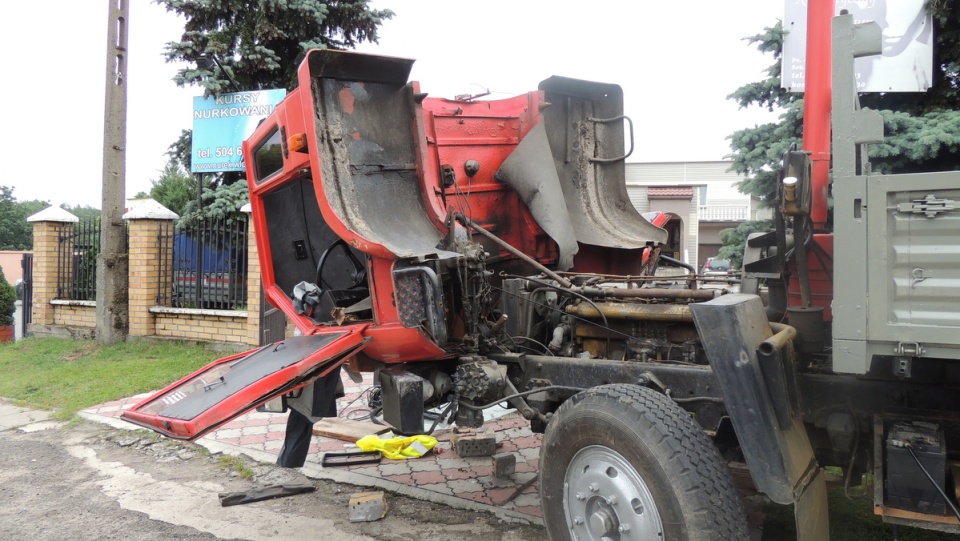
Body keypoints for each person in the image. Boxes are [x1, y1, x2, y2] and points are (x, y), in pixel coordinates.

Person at [276, 365, 344, 468]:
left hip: (317, 368)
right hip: (313, 370)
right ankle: (288, 463)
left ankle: (289, 463)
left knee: (302, 415)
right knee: (302, 415)